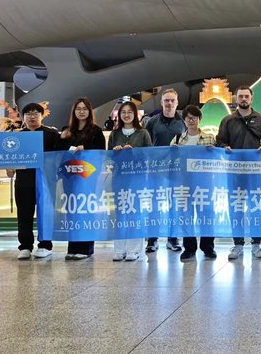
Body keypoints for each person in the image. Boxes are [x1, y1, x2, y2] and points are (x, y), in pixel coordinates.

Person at [216, 85, 261, 260]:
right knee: (236, 208)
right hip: (234, 173)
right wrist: (224, 147)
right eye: (240, 96)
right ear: (236, 99)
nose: (243, 99)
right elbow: (220, 142)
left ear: (251, 98)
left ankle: (256, 244)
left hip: (256, 173)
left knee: (257, 208)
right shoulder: (227, 120)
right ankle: (238, 245)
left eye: (246, 96)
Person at [7, 103, 61, 260]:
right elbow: (11, 157)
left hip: (46, 182)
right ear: (23, 117)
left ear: (42, 116)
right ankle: (25, 246)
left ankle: (45, 245)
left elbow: (59, 155)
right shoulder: (17, 136)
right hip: (24, 181)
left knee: (45, 213)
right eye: (28, 114)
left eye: (36, 113)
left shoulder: (51, 134)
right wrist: (9, 168)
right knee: (24, 215)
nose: (32, 116)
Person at [58, 97, 105, 260]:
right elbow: (60, 152)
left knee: (85, 210)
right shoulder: (67, 131)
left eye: (84, 109)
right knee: (72, 211)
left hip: (87, 176)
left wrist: (86, 148)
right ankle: (72, 247)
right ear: (74, 112)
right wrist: (62, 140)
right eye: (78, 109)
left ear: (89, 111)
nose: (81, 111)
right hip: (70, 176)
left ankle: (86, 249)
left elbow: (101, 151)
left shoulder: (96, 131)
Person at [171, 105, 218, 262]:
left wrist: (214, 152)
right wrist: (173, 153)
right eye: (188, 118)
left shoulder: (209, 138)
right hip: (184, 184)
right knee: (186, 216)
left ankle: (208, 247)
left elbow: (217, 161)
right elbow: (170, 162)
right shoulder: (178, 139)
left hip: (205, 183)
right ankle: (189, 248)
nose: (191, 121)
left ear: (200, 119)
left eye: (195, 118)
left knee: (207, 214)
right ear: (184, 120)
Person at [107, 101, 152, 261]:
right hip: (119, 179)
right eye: (123, 112)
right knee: (120, 214)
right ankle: (120, 249)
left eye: (129, 112)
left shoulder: (143, 133)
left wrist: (134, 152)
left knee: (135, 212)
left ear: (135, 115)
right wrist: (115, 153)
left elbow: (149, 156)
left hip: (137, 179)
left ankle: (135, 249)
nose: (126, 115)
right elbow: (108, 158)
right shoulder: (114, 134)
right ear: (119, 115)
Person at [144, 88, 185, 253]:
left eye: (172, 100)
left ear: (177, 103)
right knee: (154, 205)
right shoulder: (152, 122)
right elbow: (145, 145)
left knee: (174, 205)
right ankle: (152, 240)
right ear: (161, 102)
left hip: (176, 171)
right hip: (156, 170)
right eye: (166, 100)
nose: (169, 103)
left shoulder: (183, 122)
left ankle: (173, 239)